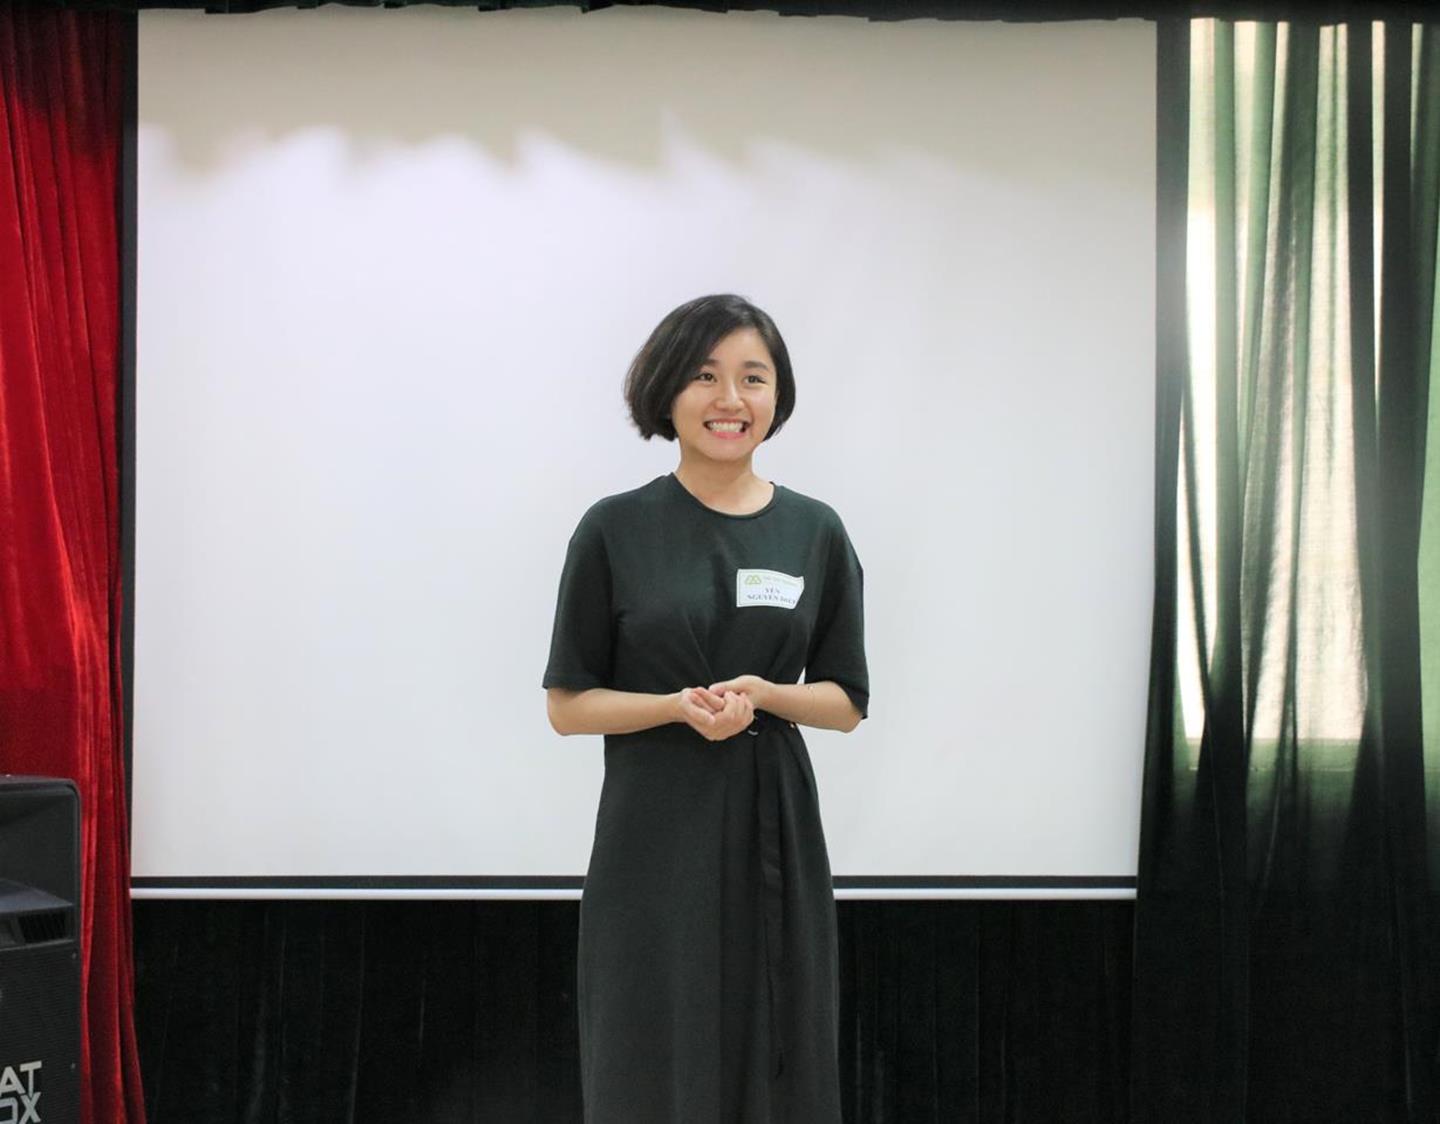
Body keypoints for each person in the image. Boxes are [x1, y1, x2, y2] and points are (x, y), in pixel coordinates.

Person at [542, 293, 869, 1123]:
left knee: (779, 1040)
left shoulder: (815, 530)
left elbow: (845, 701)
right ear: (666, 391)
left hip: (774, 825)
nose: (731, 399)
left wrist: (765, 694)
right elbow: (568, 706)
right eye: (704, 376)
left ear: (777, 396)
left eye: (753, 378)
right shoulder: (613, 528)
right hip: (654, 827)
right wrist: (674, 707)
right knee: (650, 1037)